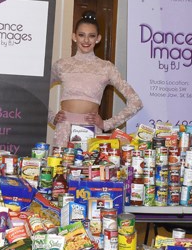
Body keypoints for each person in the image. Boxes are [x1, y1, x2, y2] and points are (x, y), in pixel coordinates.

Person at [48, 11, 143, 149]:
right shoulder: (61, 65)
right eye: (81, 35)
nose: (86, 40)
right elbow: (38, 92)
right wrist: (52, 117)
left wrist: (106, 124)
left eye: (91, 36)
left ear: (98, 38)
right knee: (60, 169)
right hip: (63, 131)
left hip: (91, 133)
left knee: (90, 171)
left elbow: (136, 102)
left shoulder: (106, 67)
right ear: (74, 37)